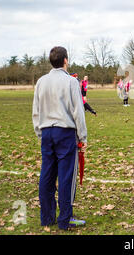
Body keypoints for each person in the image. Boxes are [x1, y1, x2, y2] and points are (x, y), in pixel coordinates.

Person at [32, 46, 87, 230]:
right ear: (65, 60)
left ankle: (47, 217)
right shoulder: (71, 82)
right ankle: (65, 219)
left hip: (46, 131)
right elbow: (78, 111)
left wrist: (40, 133)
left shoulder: (41, 81)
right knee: (66, 177)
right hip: (65, 133)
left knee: (47, 175)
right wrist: (83, 136)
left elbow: (36, 111)